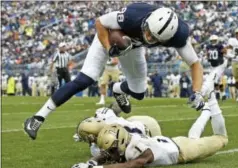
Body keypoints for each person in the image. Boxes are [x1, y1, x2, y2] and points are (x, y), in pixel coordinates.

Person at [24, 3, 204, 140]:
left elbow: (195, 64)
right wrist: (109, 48)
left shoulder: (178, 35)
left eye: (153, 38)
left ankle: (119, 89)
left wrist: (197, 92)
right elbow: (100, 23)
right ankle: (37, 117)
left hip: (132, 46)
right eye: (147, 32)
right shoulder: (133, 16)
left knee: (139, 93)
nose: (148, 37)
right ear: (147, 21)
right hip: (109, 37)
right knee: (85, 79)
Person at [71, 91, 227, 168]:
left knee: (222, 138)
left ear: (123, 142)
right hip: (173, 142)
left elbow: (131, 165)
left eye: (112, 149)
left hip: (183, 151)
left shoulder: (138, 149)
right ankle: (205, 110)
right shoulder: (123, 141)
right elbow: (106, 153)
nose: (110, 154)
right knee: (193, 137)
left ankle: (212, 102)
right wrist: (90, 162)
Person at [203, 34, 227, 100]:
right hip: (212, 66)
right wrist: (207, 57)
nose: (213, 42)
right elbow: (207, 54)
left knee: (215, 80)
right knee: (218, 81)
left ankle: (217, 93)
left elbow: (225, 51)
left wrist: (222, 50)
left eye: (214, 41)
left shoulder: (220, 46)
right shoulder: (208, 46)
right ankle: (223, 94)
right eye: (212, 41)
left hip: (220, 65)